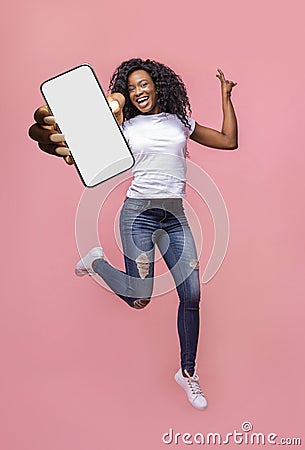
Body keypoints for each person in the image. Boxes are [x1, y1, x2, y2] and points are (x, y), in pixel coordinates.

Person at [28, 58, 238, 410]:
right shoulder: (123, 127)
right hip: (138, 216)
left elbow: (228, 141)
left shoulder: (180, 121)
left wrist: (226, 95)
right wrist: (64, 134)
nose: (139, 91)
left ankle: (188, 374)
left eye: (145, 84)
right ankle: (96, 262)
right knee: (140, 298)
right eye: (132, 87)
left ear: (158, 85)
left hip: (175, 217)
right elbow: (85, 144)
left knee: (191, 293)